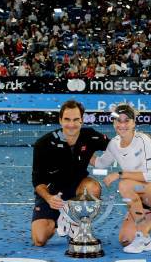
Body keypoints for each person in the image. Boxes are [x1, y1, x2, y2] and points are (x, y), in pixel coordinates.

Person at [93, 104, 151, 254]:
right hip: (141, 192)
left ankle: (143, 238)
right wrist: (77, 148)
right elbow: (100, 163)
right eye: (119, 120)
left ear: (134, 123)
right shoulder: (113, 144)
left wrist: (119, 174)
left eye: (127, 120)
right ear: (114, 123)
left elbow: (150, 175)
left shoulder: (143, 140)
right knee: (125, 239)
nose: (122, 124)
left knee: (125, 185)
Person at [31, 100, 109, 246]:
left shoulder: (91, 136)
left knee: (92, 187)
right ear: (60, 120)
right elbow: (37, 182)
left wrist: (140, 141)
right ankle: (61, 221)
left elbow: (117, 147)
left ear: (82, 120)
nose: (71, 125)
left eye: (75, 120)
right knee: (39, 239)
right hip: (53, 193)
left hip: (77, 189)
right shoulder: (43, 144)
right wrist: (48, 198)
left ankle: (75, 221)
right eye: (67, 119)